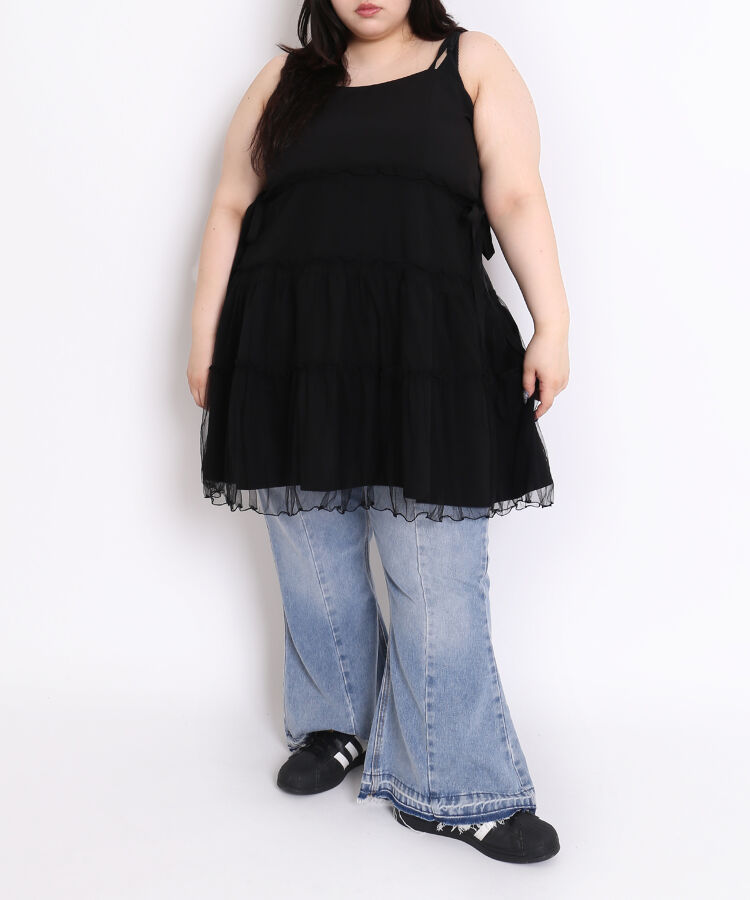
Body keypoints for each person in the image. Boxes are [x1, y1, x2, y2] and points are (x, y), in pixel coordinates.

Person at [187, 0, 570, 865]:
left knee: (437, 576)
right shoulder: (283, 81)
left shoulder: (471, 61)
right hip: (291, 351)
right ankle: (335, 724)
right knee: (312, 558)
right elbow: (231, 207)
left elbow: (515, 193)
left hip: (427, 353)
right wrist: (205, 343)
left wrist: (553, 324)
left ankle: (457, 786)